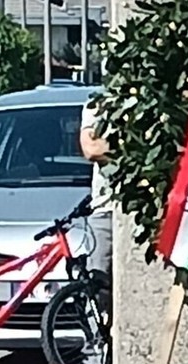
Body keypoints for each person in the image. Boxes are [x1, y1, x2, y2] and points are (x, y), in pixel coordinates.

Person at [78, 97, 113, 278]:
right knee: (98, 284)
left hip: (150, 215)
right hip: (106, 210)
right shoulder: (100, 104)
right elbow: (92, 148)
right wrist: (134, 147)